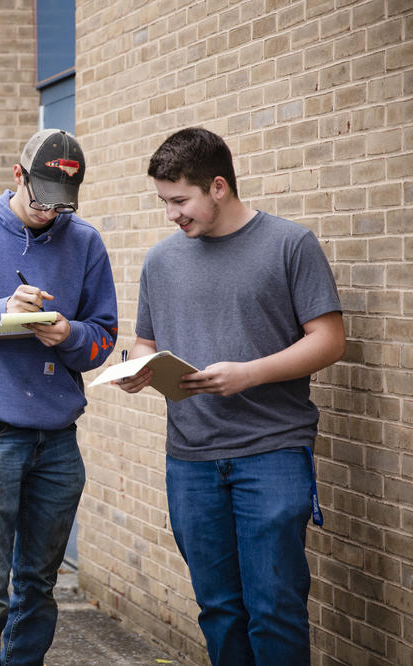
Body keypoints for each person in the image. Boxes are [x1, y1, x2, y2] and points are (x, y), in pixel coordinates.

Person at [115, 127, 345, 665]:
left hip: (271, 453)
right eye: (163, 202)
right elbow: (146, 341)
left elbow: (330, 340)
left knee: (275, 609)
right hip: (190, 460)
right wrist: (135, 368)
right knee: (219, 610)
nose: (171, 214)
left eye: (179, 200)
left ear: (218, 186)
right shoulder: (160, 261)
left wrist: (249, 374)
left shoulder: (290, 245)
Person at [0, 128, 118, 665]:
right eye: (42, 200)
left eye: (62, 205)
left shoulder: (83, 241)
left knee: (38, 589)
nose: (51, 213)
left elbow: (103, 339)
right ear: (18, 176)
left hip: (57, 442)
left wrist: (69, 337)